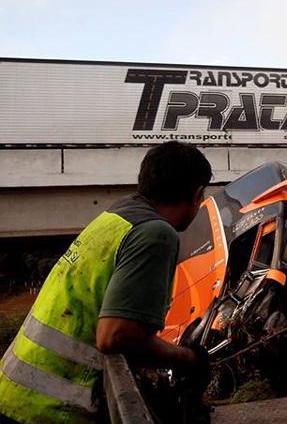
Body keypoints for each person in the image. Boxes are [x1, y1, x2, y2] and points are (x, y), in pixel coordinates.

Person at [0, 141, 212, 424]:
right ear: (197, 194)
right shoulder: (155, 234)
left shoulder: (115, 216)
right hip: (50, 409)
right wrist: (187, 358)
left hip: (14, 390)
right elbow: (115, 335)